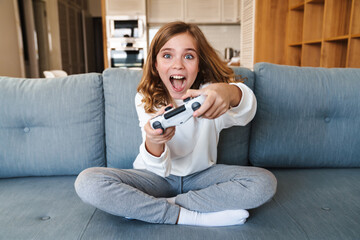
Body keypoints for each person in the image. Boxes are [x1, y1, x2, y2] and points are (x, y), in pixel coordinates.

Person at [75, 21, 277, 227]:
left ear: (199, 65)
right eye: (167, 55)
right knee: (88, 182)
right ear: (155, 64)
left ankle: (156, 206)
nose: (178, 64)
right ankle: (193, 217)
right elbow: (156, 168)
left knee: (264, 183)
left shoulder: (209, 96)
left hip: (200, 176)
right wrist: (155, 141)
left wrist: (229, 92)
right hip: (154, 178)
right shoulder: (146, 98)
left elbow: (246, 111)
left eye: (188, 56)